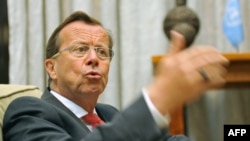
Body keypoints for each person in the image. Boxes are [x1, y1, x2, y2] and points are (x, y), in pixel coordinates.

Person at [3, 11, 229, 141]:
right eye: (80, 49)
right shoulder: (27, 112)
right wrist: (157, 98)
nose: (94, 59)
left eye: (102, 52)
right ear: (51, 68)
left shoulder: (109, 114)